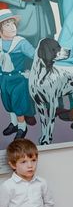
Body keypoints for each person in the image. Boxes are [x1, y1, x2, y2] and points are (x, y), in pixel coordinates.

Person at [0, 138, 54, 207]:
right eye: (23, 162)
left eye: (33, 160)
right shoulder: (8, 186)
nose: (30, 165)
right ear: (13, 165)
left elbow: (49, 203)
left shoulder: (41, 183)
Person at [0, 9, 35, 139]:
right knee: (8, 102)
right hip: (3, 78)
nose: (12, 27)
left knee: (18, 104)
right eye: (7, 24)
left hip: (18, 79)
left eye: (13, 23)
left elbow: (34, 55)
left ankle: (22, 127)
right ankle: (14, 124)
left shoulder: (21, 42)